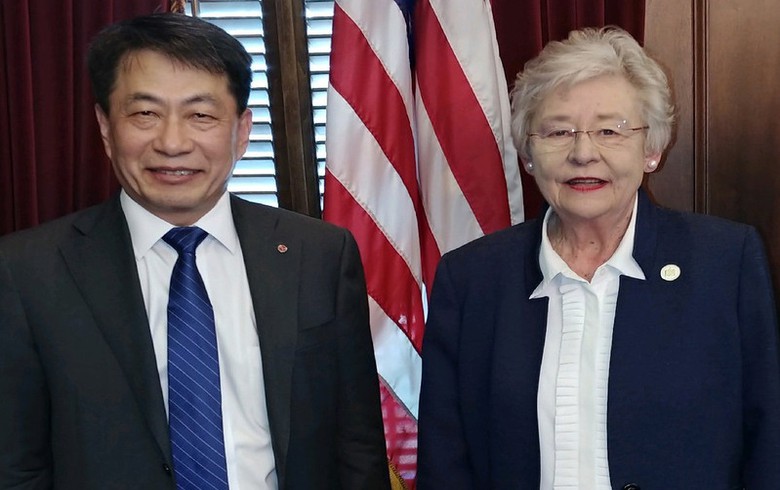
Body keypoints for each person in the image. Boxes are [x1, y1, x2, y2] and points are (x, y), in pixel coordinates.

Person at [0, 12, 390, 490]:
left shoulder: (319, 255)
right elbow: (16, 466)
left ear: (242, 131)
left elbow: (356, 445)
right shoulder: (26, 272)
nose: (172, 143)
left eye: (201, 115)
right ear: (105, 126)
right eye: (145, 114)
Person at [417, 26, 780, 489]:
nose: (583, 153)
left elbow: (768, 443)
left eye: (611, 130)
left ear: (652, 149)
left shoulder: (725, 264)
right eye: (558, 131)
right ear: (528, 154)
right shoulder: (472, 278)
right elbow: (445, 459)